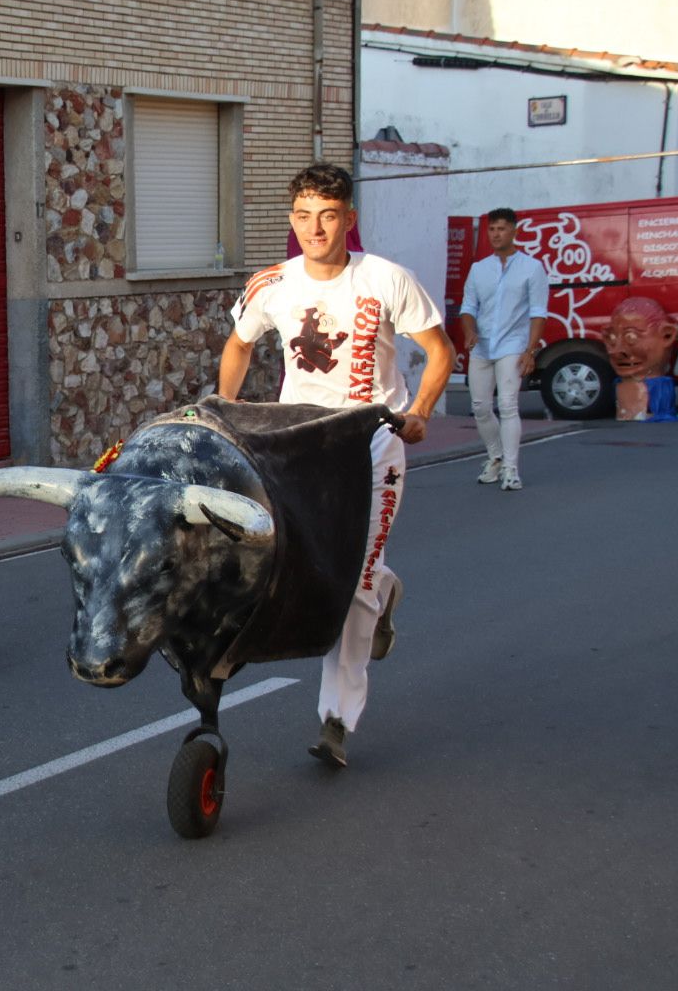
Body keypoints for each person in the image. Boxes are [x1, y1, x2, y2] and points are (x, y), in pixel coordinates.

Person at [217, 163, 453, 768]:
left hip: (372, 439)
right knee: (290, 556)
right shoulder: (273, 282)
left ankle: (335, 721)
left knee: (352, 579)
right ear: (292, 220)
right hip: (297, 440)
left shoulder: (386, 279)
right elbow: (240, 344)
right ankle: (385, 586)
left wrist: (420, 411)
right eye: (303, 216)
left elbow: (437, 350)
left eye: (328, 216)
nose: (315, 228)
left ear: (350, 219)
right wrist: (230, 407)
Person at [460, 208, 548, 491]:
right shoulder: (479, 269)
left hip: (513, 345)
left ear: (514, 231)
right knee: (480, 407)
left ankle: (511, 467)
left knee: (508, 405)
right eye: (492, 229)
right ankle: (495, 457)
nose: (496, 234)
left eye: (501, 229)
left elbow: (538, 313)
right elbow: (468, 308)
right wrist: (469, 330)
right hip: (482, 346)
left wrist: (530, 351)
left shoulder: (531, 268)